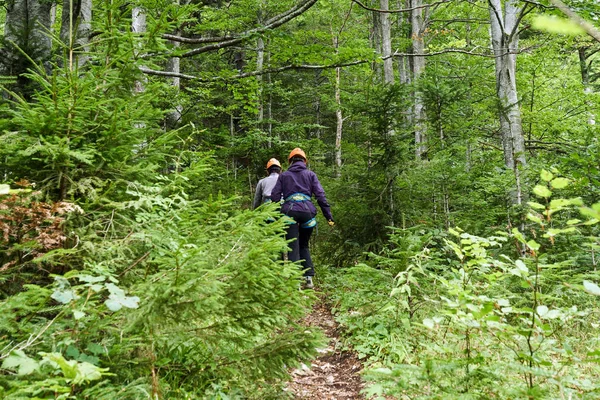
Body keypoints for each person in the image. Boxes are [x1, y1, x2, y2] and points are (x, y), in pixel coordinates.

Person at [270, 148, 334, 289]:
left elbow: (274, 196)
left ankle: (295, 282)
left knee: (293, 246)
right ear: (304, 161)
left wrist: (276, 213)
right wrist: (329, 217)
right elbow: (320, 196)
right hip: (308, 214)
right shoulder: (311, 175)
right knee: (304, 245)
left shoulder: (284, 176)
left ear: (290, 161)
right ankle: (309, 278)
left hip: (289, 213)